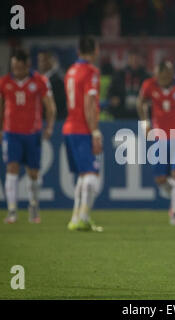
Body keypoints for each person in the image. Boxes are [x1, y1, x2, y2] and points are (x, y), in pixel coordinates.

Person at [0, 49, 56, 224]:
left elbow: (50, 107)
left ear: (27, 65)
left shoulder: (39, 81)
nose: (17, 70)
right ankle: (12, 210)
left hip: (33, 132)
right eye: (14, 66)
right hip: (11, 132)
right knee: (12, 168)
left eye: (20, 67)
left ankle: (34, 206)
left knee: (34, 173)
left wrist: (49, 126)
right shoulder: (4, 82)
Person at [137, 61, 175, 226]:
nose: (161, 79)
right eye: (159, 75)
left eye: (165, 76)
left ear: (170, 74)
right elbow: (140, 102)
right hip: (160, 136)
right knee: (160, 179)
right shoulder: (149, 85)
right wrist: (145, 124)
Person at [63, 36, 104, 232]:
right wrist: (95, 131)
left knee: (82, 175)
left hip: (69, 127)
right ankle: (83, 218)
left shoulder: (71, 71)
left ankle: (76, 218)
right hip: (82, 129)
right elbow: (89, 104)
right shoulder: (91, 72)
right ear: (95, 50)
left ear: (79, 51)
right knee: (91, 175)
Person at [107, 49, 149, 119]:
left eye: (137, 59)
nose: (134, 61)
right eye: (132, 58)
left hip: (140, 114)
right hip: (121, 113)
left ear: (140, 60)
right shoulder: (119, 75)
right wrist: (113, 98)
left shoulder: (146, 77)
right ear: (128, 60)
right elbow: (110, 92)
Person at [37, 50, 67, 120]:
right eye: (40, 60)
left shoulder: (59, 79)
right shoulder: (39, 78)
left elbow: (60, 104)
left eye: (44, 60)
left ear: (52, 61)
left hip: (56, 120)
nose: (41, 63)